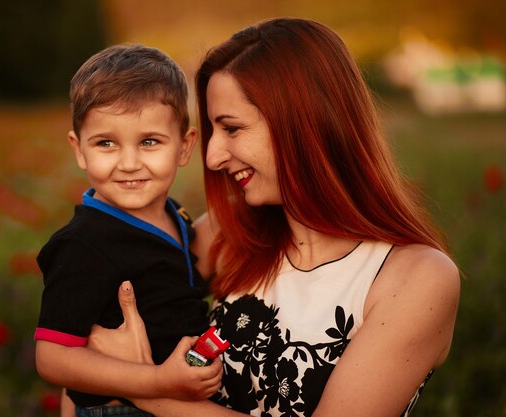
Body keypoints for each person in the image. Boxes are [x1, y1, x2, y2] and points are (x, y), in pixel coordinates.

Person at [85, 17, 461, 417]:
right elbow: (91, 322)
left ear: (303, 122)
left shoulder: (417, 279)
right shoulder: (228, 231)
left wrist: (142, 387)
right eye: (213, 131)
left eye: (231, 128)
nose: (212, 157)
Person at [33, 43, 222, 417]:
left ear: (185, 147)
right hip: (124, 407)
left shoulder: (173, 214)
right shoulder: (84, 243)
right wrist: (157, 382)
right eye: (106, 144)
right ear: (80, 150)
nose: (129, 163)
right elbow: (53, 357)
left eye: (149, 142)